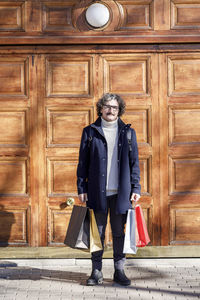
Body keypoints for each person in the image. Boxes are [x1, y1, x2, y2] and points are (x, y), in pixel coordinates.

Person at [77, 93, 141, 286]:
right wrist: (81, 187)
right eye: (107, 106)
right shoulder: (90, 132)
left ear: (119, 109)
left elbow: (134, 163)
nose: (110, 110)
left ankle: (119, 271)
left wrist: (136, 186)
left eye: (114, 107)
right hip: (98, 192)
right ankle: (96, 271)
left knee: (119, 233)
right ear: (101, 109)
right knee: (98, 233)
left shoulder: (128, 133)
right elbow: (82, 163)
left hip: (121, 193)